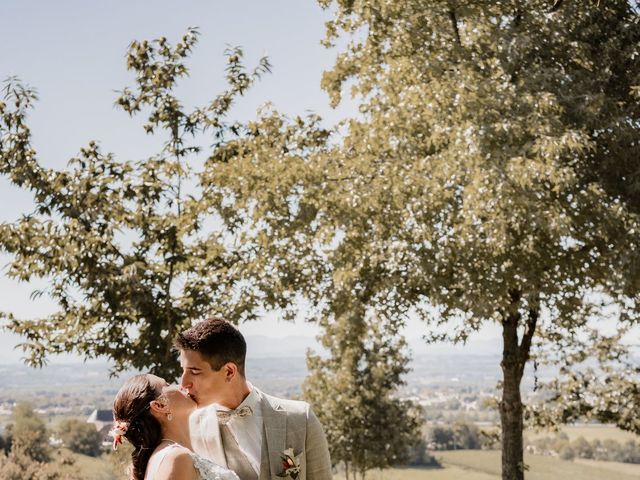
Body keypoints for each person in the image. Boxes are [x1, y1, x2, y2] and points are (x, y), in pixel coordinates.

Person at [175, 317, 332, 480]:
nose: (184, 383)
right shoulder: (189, 429)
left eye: (194, 371)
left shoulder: (300, 419)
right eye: (183, 371)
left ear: (229, 371)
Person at [112, 373, 240, 480]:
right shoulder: (175, 458)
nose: (182, 385)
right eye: (167, 384)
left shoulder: (170, 456)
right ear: (160, 406)